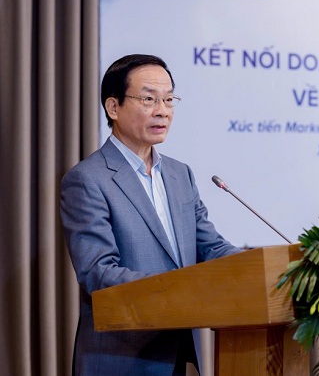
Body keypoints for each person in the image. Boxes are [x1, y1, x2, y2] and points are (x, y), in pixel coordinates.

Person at [60, 54, 241, 375]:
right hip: (123, 357)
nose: (162, 110)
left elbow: (211, 248)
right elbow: (98, 272)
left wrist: (269, 267)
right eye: (148, 99)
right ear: (113, 107)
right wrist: (181, 289)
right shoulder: (88, 179)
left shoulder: (180, 174)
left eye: (169, 99)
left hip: (181, 352)